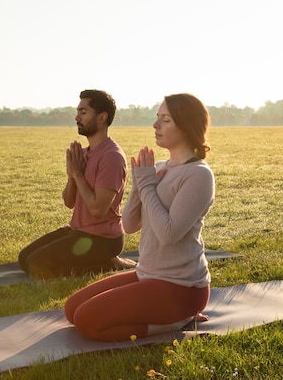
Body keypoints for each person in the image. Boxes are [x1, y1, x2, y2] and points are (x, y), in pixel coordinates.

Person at [64, 93, 215, 341]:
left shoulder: (198, 175)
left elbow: (168, 234)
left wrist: (146, 185)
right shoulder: (158, 168)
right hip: (148, 274)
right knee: (72, 309)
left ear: (187, 126)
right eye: (157, 118)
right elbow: (130, 224)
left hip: (181, 287)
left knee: (87, 321)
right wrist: (140, 183)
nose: (156, 125)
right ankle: (165, 315)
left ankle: (176, 322)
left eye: (165, 120)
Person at [18, 89, 134, 278]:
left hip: (103, 239)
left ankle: (107, 262)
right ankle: (104, 261)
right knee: (25, 258)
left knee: (37, 265)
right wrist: (72, 175)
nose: (77, 117)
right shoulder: (85, 153)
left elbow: (98, 210)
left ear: (102, 117)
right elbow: (69, 202)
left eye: (83, 112)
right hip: (79, 232)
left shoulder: (111, 157)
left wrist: (78, 175)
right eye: (78, 112)